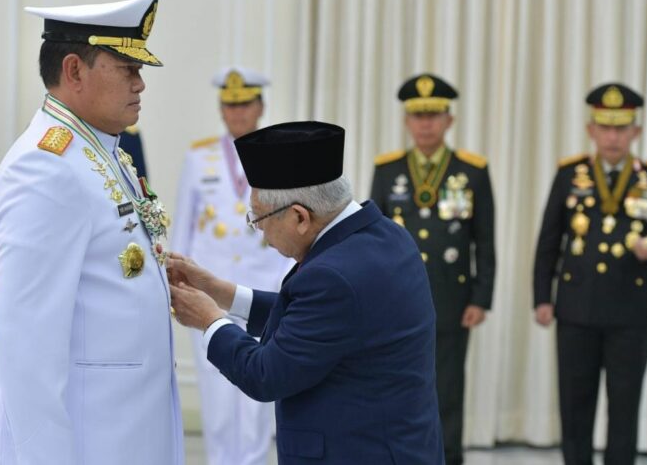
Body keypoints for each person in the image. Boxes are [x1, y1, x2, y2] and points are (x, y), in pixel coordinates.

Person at [0, 0, 184, 464]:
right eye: (126, 67)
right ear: (74, 70)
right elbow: (25, 349)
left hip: (120, 433)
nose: (140, 83)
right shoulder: (43, 170)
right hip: (84, 441)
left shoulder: (102, 151)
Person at [169, 121, 444, 464]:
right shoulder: (385, 235)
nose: (262, 234)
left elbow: (265, 374)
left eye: (259, 219)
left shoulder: (332, 276)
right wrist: (219, 290)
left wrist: (209, 320)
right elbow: (318, 325)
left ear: (299, 217)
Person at [533, 83, 647, 465]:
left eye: (622, 128)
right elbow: (549, 241)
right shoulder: (570, 175)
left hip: (629, 314)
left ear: (635, 131)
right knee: (575, 405)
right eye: (606, 127)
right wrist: (542, 298)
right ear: (591, 130)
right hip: (576, 312)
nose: (613, 136)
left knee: (624, 407)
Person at [370, 73, 495, 465]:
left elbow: (485, 240)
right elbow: (374, 239)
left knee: (448, 388)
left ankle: (448, 458)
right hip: (397, 300)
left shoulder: (471, 171)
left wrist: (481, 297)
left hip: (452, 299)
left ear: (449, 120)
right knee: (397, 386)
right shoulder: (388, 170)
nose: (425, 123)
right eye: (418, 115)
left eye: (434, 115)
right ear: (407, 121)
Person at [170, 66, 289, 465]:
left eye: (244, 106)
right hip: (211, 288)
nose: (236, 114)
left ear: (261, 107)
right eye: (229, 106)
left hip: (263, 284)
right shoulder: (199, 156)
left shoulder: (276, 154)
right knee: (216, 389)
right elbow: (184, 224)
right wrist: (180, 283)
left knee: (257, 393)